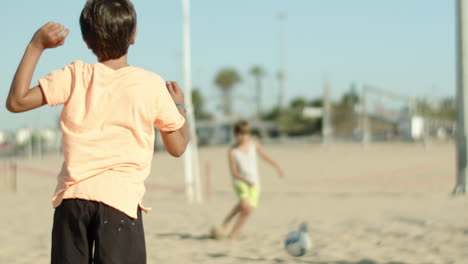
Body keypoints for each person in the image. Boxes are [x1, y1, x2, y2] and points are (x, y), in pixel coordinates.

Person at [6, 0, 188, 263]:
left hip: (72, 202)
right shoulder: (151, 84)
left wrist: (36, 46)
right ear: (134, 35)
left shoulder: (75, 75)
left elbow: (16, 102)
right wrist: (180, 108)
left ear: (86, 40)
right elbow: (178, 147)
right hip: (120, 204)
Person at [212, 120, 284, 240]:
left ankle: (233, 233)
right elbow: (233, 172)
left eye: (246, 134)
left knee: (247, 210)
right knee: (245, 205)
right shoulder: (232, 151)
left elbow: (264, 156)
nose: (243, 137)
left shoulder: (254, 145)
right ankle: (226, 222)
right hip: (240, 181)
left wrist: (276, 166)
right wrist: (245, 181)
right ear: (235, 134)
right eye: (240, 134)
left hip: (255, 182)